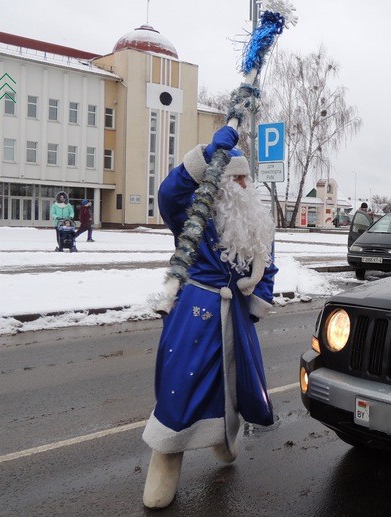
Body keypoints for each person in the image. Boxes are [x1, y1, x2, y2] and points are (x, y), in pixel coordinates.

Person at [142, 126, 278, 509]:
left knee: (235, 381)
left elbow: (266, 264)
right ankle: (165, 459)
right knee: (181, 387)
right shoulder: (194, 211)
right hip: (195, 312)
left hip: (235, 311)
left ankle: (223, 436)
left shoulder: (254, 219)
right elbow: (169, 194)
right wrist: (203, 156)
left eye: (245, 177)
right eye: (234, 176)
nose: (242, 183)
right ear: (218, 180)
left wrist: (258, 300)